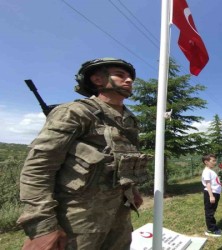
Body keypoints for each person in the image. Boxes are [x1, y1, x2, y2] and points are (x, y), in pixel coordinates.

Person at [18, 58, 148, 250]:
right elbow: (39, 168)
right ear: (97, 80)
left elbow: (122, 160)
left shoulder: (129, 120)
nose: (129, 80)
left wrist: (132, 190)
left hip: (119, 215)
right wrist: (43, 227)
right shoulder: (75, 112)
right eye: (120, 75)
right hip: (78, 221)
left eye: (130, 77)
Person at [201, 154, 222, 237]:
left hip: (215, 193)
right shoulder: (207, 171)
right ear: (206, 162)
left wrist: (221, 183)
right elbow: (208, 184)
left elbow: (213, 182)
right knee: (209, 212)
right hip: (211, 193)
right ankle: (211, 230)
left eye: (215, 160)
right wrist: (211, 196)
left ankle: (213, 227)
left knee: (212, 211)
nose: (215, 162)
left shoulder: (211, 170)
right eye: (213, 161)